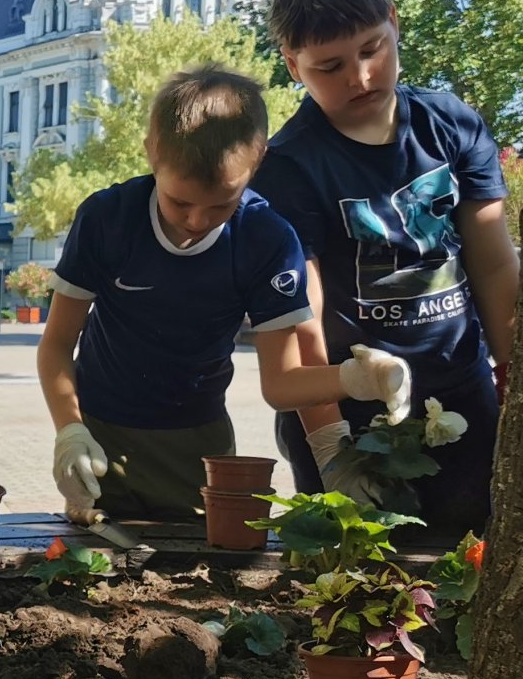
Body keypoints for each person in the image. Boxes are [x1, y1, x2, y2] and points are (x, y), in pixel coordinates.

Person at [40, 65, 412, 522]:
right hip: (100, 440)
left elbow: (281, 384)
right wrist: (69, 431)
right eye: (180, 202)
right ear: (152, 152)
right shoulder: (106, 219)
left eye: (221, 204)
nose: (196, 221)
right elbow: (57, 345)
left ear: (257, 164)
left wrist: (356, 382)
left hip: (200, 443)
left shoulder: (267, 239)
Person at [252, 0, 516, 532]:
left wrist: (512, 377)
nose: (361, 76)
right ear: (292, 64)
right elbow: (305, 320)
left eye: (373, 48)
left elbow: (494, 264)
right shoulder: (288, 168)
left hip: (463, 399)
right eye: (330, 65)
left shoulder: (453, 124)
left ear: (394, 21)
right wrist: (329, 449)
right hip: (351, 420)